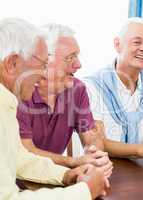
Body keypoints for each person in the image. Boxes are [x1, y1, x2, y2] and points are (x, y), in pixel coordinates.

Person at [0, 18, 108, 200]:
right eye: (42, 65)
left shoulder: (7, 101)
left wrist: (65, 175)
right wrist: (85, 191)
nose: (44, 73)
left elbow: (18, 158)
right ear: (12, 64)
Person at [83, 17, 143, 165]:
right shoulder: (92, 85)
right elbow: (98, 142)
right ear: (118, 45)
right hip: (102, 170)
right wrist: (141, 150)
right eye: (137, 42)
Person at [16, 24, 112, 175]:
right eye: (70, 58)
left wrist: (94, 155)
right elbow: (25, 152)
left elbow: (92, 137)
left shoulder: (77, 89)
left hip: (55, 177)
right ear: (46, 59)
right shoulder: (21, 91)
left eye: (77, 56)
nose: (79, 65)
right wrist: (72, 162)